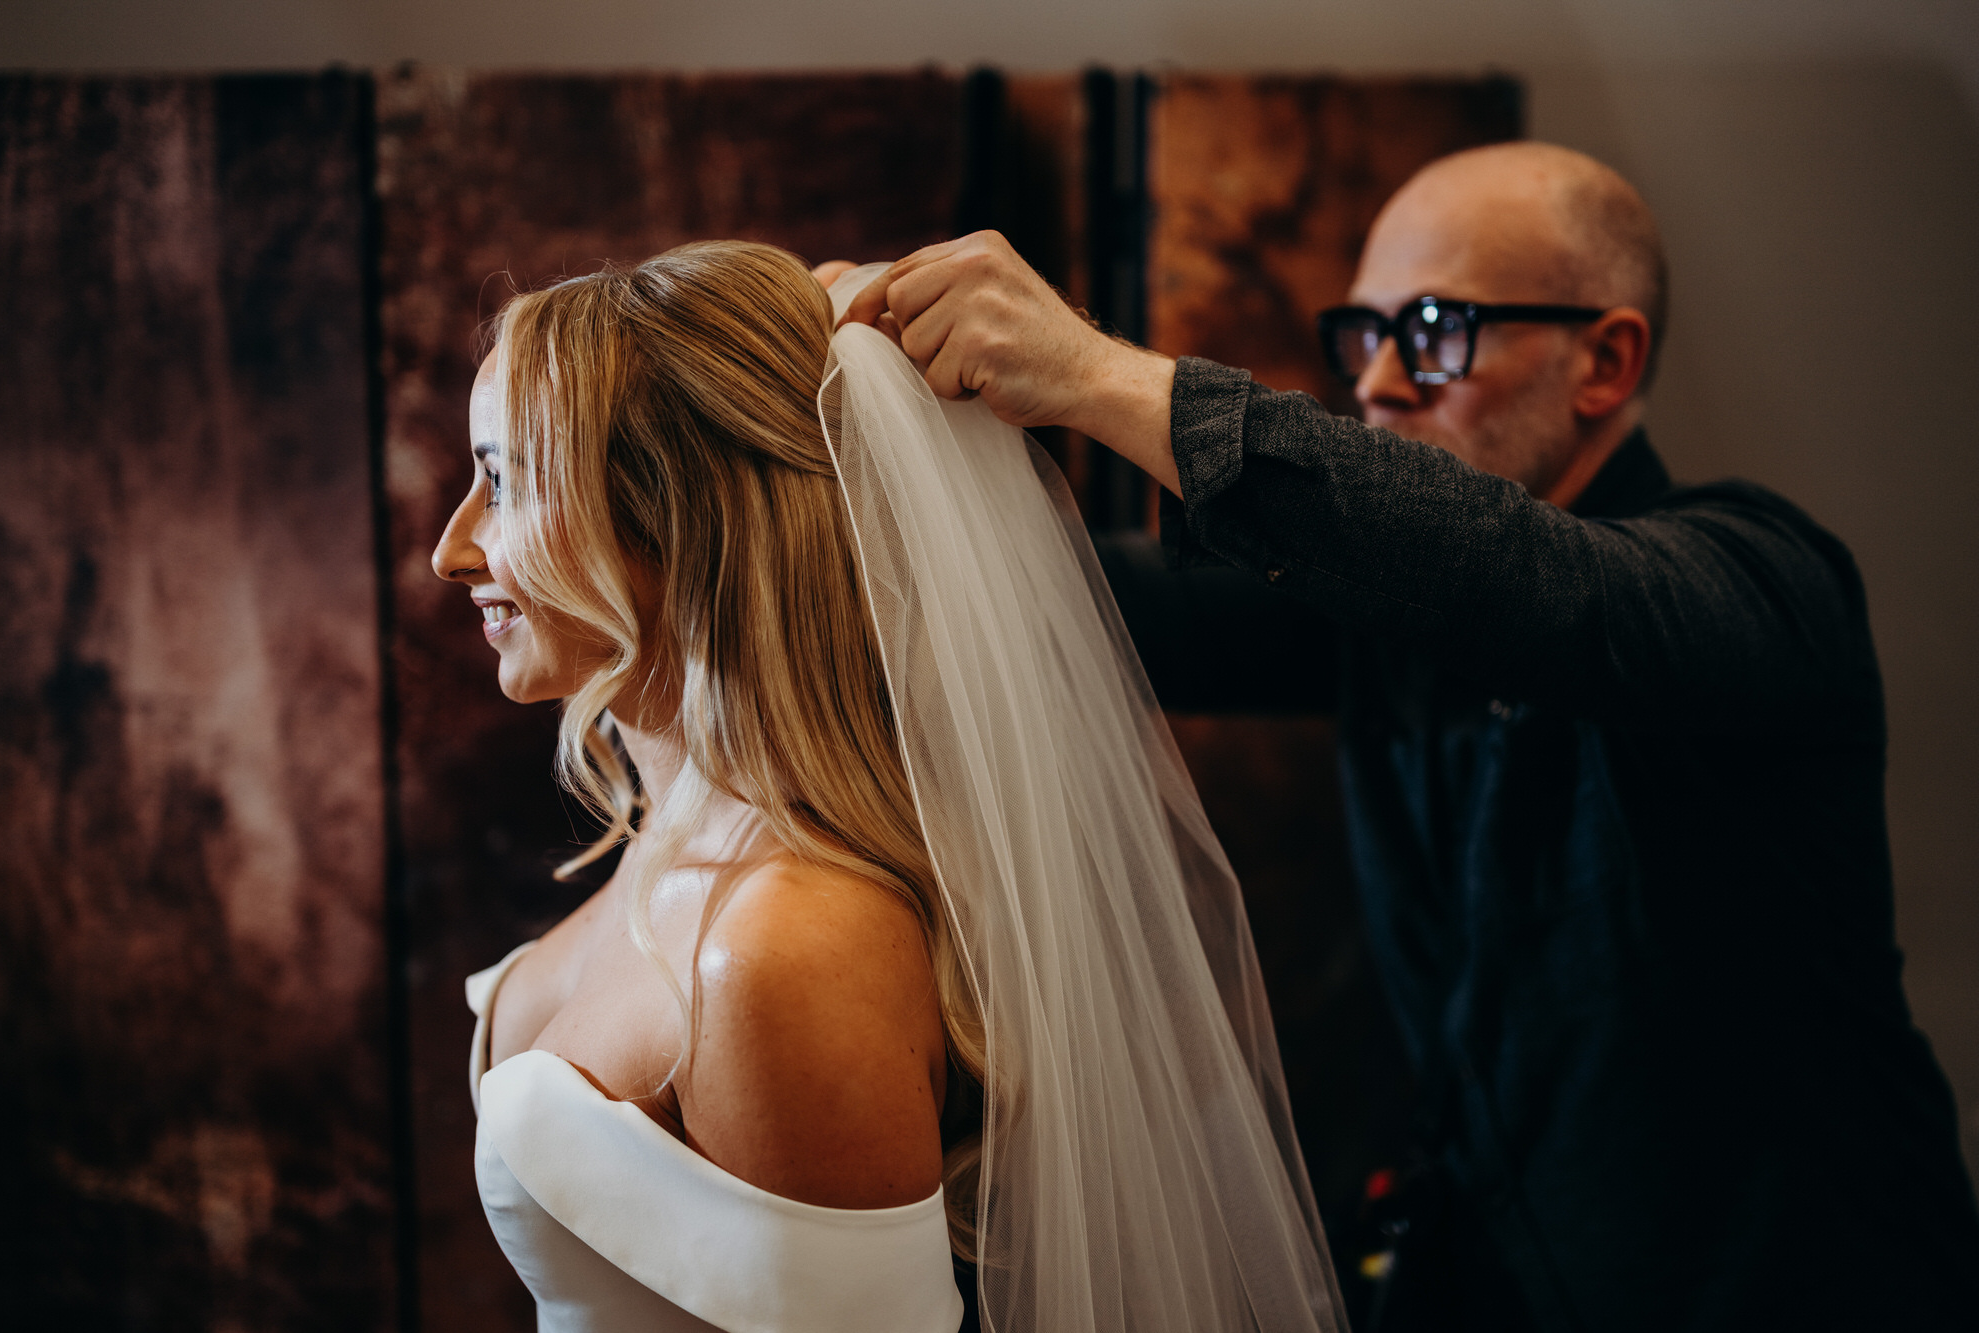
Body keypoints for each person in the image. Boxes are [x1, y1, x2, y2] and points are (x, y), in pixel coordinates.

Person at [833, 142, 1979, 1332]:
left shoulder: (1763, 579)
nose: (1376, 380)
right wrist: (857, 425)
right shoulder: (1372, 614)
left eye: (1432, 328)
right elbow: (1083, 602)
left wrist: (1098, 376)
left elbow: (1534, 587)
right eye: (1362, 332)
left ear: (1604, 358)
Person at [431, 241, 1346, 1332]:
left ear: (681, 514)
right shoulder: (673, 839)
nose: (453, 550)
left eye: (508, 480)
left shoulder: (782, 946)